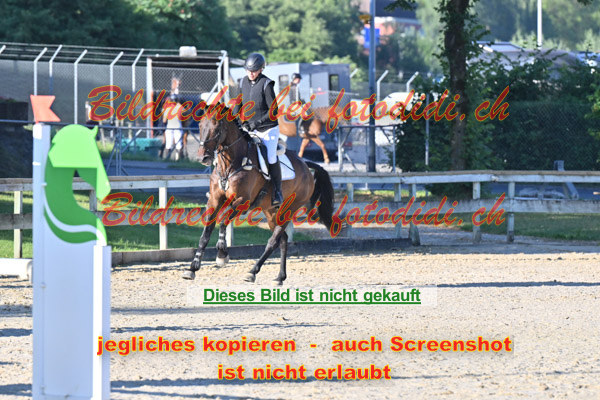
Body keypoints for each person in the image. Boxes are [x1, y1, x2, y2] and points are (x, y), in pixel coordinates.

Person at [233, 52, 283, 206]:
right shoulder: (243, 82)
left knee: (271, 157)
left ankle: (277, 192)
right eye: (248, 70)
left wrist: (257, 123)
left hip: (267, 129)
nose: (251, 73)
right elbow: (238, 104)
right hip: (250, 128)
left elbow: (273, 111)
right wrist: (233, 119)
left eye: (254, 71)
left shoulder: (266, 84)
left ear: (261, 69)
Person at [162, 94, 184, 161]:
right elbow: (185, 115)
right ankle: (178, 160)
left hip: (169, 128)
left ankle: (167, 159)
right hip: (178, 127)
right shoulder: (180, 108)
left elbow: (164, 121)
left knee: (168, 144)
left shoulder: (167, 109)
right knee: (179, 144)